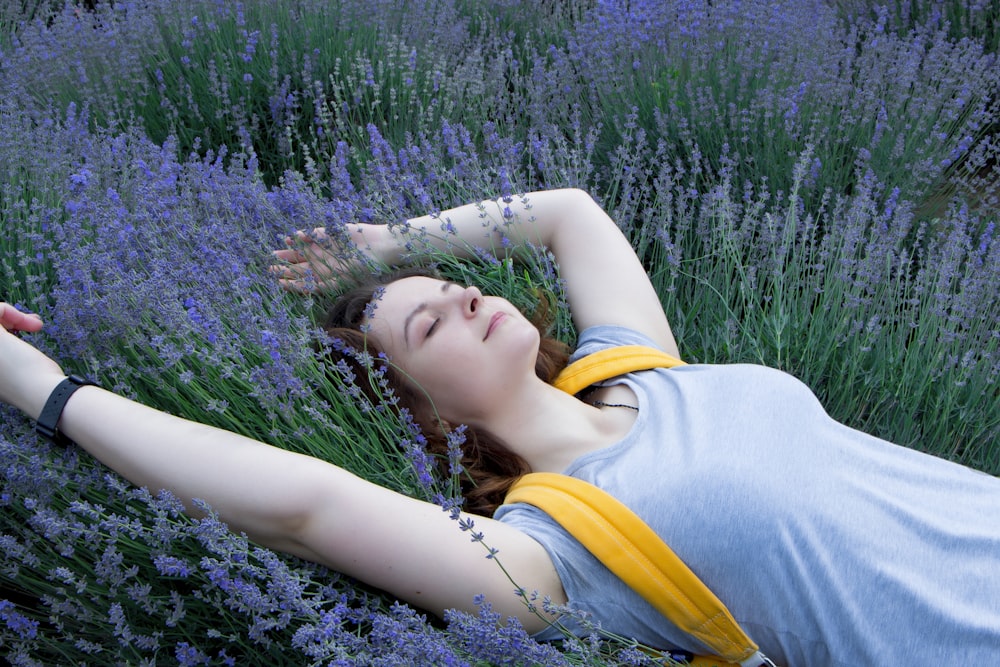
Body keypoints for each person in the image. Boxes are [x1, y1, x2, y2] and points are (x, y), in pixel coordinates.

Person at [1, 188, 998, 666]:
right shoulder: (552, 548)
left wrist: (381, 247)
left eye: (454, 287)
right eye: (426, 324)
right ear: (426, 414)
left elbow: (567, 212)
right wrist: (41, 389)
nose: (464, 298)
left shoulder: (639, 370)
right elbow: (304, 507)